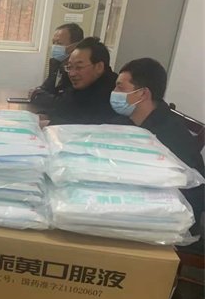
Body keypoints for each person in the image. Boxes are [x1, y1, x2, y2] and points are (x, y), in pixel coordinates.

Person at [111, 57, 204, 229]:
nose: (114, 92)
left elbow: (191, 196)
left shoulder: (170, 136)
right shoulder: (128, 121)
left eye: (120, 87)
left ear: (143, 94)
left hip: (171, 222)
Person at [45, 37, 118, 125]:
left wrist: (50, 123)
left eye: (79, 67)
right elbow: (63, 107)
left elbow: (86, 124)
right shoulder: (82, 86)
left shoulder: (111, 93)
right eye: (69, 67)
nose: (72, 74)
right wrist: (45, 116)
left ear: (99, 67)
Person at [30, 23, 84, 107]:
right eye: (53, 43)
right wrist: (38, 92)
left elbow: (63, 102)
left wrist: (37, 95)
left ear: (75, 46)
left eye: (59, 43)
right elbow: (47, 88)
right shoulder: (58, 62)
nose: (54, 47)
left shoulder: (77, 70)